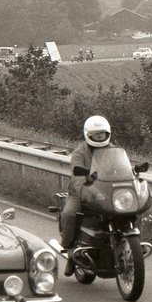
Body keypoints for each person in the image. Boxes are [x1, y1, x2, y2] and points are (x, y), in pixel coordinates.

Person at [60, 115, 114, 277]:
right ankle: (70, 252)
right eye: (96, 134)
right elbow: (77, 179)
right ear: (88, 135)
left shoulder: (112, 149)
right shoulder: (80, 152)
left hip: (106, 191)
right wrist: (94, 192)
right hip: (81, 192)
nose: (100, 136)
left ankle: (131, 244)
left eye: (102, 133)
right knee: (69, 214)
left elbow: (120, 167)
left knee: (130, 209)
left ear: (107, 133)